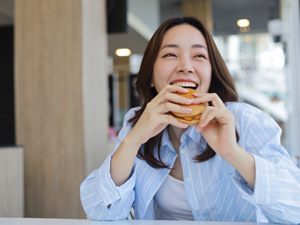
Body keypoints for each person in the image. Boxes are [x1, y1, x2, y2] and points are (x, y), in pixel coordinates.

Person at [80, 17, 300, 223]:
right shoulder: (135, 123)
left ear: (211, 74)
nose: (186, 66)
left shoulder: (246, 122)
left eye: (199, 56)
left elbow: (295, 208)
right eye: (170, 55)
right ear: (151, 77)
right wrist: (133, 140)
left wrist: (232, 152)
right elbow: (101, 212)